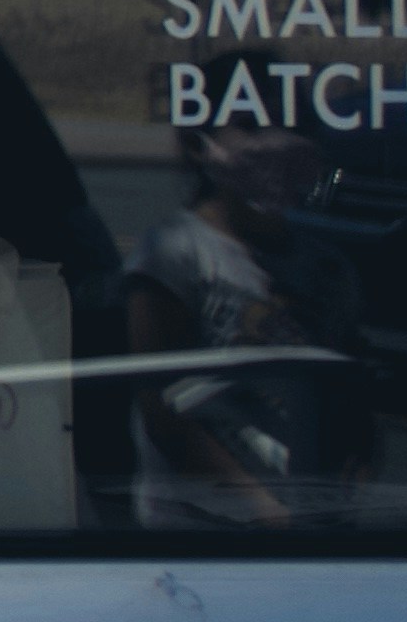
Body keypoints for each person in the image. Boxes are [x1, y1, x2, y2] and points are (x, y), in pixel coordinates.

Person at [120, 110, 382, 529]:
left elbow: (353, 396)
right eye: (250, 125)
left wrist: (347, 490)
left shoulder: (329, 268)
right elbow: (165, 412)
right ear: (198, 144)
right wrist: (263, 512)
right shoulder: (173, 254)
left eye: (289, 124)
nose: (275, 142)